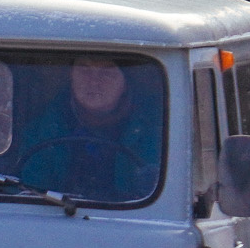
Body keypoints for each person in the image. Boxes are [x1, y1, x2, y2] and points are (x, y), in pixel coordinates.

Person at [14, 56, 163, 200]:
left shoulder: (158, 130)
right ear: (71, 76)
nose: (93, 81)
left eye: (107, 72)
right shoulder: (41, 130)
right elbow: (30, 191)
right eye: (84, 70)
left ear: (125, 81)